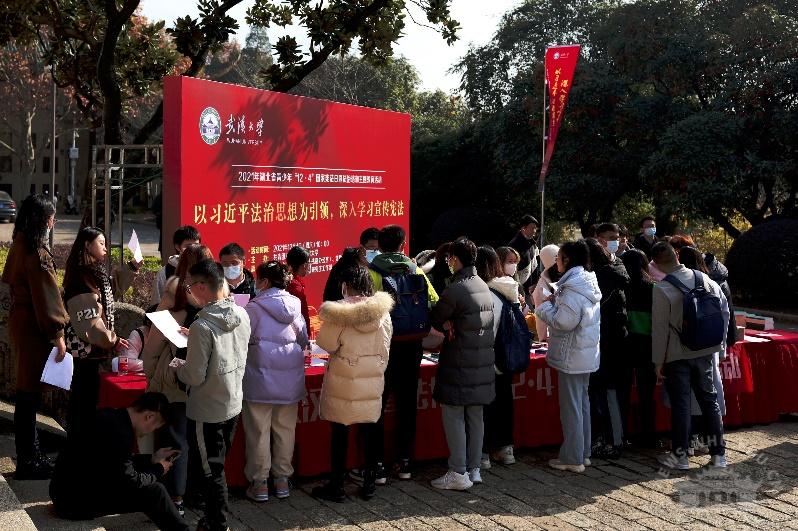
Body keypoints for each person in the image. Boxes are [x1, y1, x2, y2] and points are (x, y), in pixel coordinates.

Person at [175, 260, 250, 531]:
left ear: (202, 287)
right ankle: (213, 520)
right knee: (217, 465)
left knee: (211, 471)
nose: (189, 292)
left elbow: (194, 376)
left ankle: (218, 524)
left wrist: (178, 367)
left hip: (207, 409)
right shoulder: (241, 313)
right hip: (233, 400)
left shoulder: (202, 326)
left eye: (189, 287)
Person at [312, 266, 394, 502]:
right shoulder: (383, 314)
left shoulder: (339, 313)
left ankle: (337, 485)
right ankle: (370, 483)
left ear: (345, 286)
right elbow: (386, 345)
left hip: (343, 380)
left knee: (340, 434)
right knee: (371, 433)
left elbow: (326, 344)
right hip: (372, 379)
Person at [49, 392, 187, 530]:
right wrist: (159, 469)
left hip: (62, 492)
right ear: (149, 416)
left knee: (149, 484)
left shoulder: (110, 416)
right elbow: (132, 482)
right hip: (73, 504)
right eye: (154, 427)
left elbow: (117, 462)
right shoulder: (122, 434)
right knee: (155, 492)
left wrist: (152, 459)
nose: (150, 432)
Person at [1, 195, 68, 479]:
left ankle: (30, 456)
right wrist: (58, 334)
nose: (53, 222)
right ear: (43, 220)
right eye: (51, 217)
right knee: (29, 394)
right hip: (34, 325)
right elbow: (46, 296)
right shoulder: (35, 250)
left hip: (23, 321)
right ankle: (30, 459)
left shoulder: (19, 242)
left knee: (26, 392)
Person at [143, 244, 212, 515]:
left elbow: (153, 345)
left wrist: (151, 376)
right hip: (207, 378)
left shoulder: (174, 294)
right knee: (202, 438)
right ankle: (201, 492)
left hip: (175, 375)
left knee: (176, 437)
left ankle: (176, 498)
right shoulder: (218, 297)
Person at [367, 225, 439, 481]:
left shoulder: (372, 271)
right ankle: (405, 462)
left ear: (379, 245)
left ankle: (376, 465)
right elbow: (433, 300)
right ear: (403, 244)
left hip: (382, 347)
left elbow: (366, 310)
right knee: (407, 403)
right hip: (412, 345)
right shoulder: (414, 269)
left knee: (377, 403)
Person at [652, 242, 729, 470]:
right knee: (709, 401)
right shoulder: (705, 279)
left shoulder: (662, 289)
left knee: (681, 404)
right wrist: (720, 347)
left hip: (677, 354)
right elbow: (723, 312)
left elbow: (660, 329)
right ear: (676, 255)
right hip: (705, 350)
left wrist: (658, 362)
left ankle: (681, 457)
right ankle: (719, 456)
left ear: (656, 264)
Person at [429, 238, 495, 490]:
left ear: (455, 259)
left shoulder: (456, 289)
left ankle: (458, 471)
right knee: (476, 416)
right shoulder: (482, 285)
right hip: (481, 362)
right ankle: (473, 468)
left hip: (459, 361)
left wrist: (445, 323)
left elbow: (436, 317)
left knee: (454, 413)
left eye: (449, 258)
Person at [242, 261, 309, 502]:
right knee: (285, 430)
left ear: (264, 282)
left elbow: (241, 340)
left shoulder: (252, 308)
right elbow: (303, 339)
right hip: (289, 379)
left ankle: (259, 483)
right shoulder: (295, 304)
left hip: (258, 378)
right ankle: (282, 481)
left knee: (258, 432)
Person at [63, 226, 139, 432]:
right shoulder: (82, 278)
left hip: (92, 352)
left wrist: (131, 268)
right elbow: (90, 323)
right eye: (101, 243)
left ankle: (80, 442)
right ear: (87, 245)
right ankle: (78, 444)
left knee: (85, 400)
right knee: (83, 402)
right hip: (85, 353)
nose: (106, 248)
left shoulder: (93, 273)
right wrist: (113, 340)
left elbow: (109, 293)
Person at [535, 241, 601, 473]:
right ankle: (583, 453)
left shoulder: (573, 287)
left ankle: (573, 458)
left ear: (568, 259)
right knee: (581, 404)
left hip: (572, 354)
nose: (557, 263)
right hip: (584, 353)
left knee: (572, 407)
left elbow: (564, 321)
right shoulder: (585, 282)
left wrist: (545, 308)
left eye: (559, 258)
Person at [585, 236, 629, 459]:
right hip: (617, 339)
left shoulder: (601, 277)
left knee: (606, 391)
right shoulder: (616, 270)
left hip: (607, 341)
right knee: (611, 391)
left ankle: (612, 441)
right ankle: (614, 438)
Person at [476, 246, 519, 468]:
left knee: (483, 407)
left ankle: (482, 453)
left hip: (485, 358)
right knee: (504, 402)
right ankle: (505, 449)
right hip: (506, 357)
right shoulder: (507, 290)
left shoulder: (483, 293)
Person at [620, 249, 657, 447]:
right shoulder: (653, 287)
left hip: (625, 343)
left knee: (623, 392)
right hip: (647, 344)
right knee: (646, 393)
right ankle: (648, 435)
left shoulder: (621, 286)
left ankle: (622, 434)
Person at [150, 225, 201, 305]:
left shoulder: (205, 269)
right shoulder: (165, 272)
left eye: (196, 245)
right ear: (177, 247)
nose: (193, 249)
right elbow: (156, 303)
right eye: (188, 246)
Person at [531, 244, 561, 342]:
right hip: (550, 336)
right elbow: (543, 318)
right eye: (557, 259)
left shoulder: (560, 278)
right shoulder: (542, 288)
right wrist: (545, 338)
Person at [507, 214, 540, 287]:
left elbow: (536, 264)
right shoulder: (514, 245)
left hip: (532, 288)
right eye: (532, 228)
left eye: (535, 228)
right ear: (523, 228)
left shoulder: (533, 244)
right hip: (520, 288)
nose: (535, 231)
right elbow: (510, 270)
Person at [286, 245, 311, 329]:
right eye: (308, 262)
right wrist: (307, 333)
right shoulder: (296, 288)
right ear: (304, 265)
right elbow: (302, 315)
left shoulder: (287, 280)